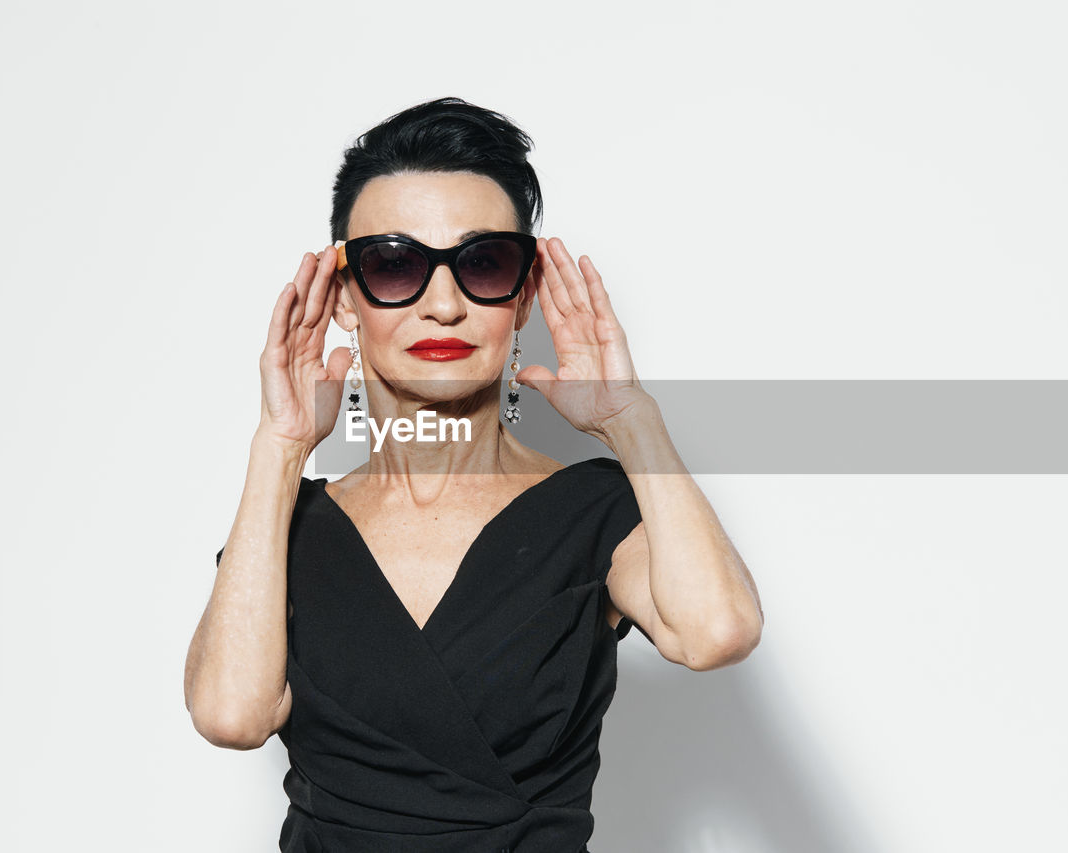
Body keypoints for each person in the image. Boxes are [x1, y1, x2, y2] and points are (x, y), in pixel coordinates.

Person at [184, 97, 764, 853]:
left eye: (482, 263)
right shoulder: (287, 524)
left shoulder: (594, 511)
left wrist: (631, 417)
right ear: (346, 298)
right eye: (395, 266)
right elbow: (230, 714)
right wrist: (280, 444)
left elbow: (716, 630)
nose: (445, 305)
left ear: (523, 295)